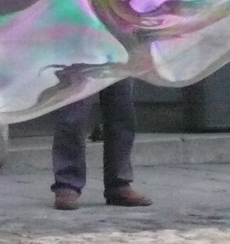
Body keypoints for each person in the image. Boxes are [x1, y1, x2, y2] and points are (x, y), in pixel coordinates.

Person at [51, 78, 153, 210]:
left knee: (122, 109)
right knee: (73, 114)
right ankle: (67, 184)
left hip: (120, 57)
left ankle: (118, 183)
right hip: (79, 58)